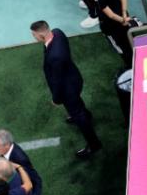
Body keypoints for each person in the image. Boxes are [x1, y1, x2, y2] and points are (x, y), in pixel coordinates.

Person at [30, 21, 102, 159]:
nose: (33, 37)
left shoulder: (55, 57)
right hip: (74, 79)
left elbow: (58, 81)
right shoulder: (57, 32)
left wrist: (56, 99)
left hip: (68, 88)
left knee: (78, 114)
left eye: (34, 35)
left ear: (41, 35)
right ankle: (86, 115)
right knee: (78, 107)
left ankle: (94, 144)